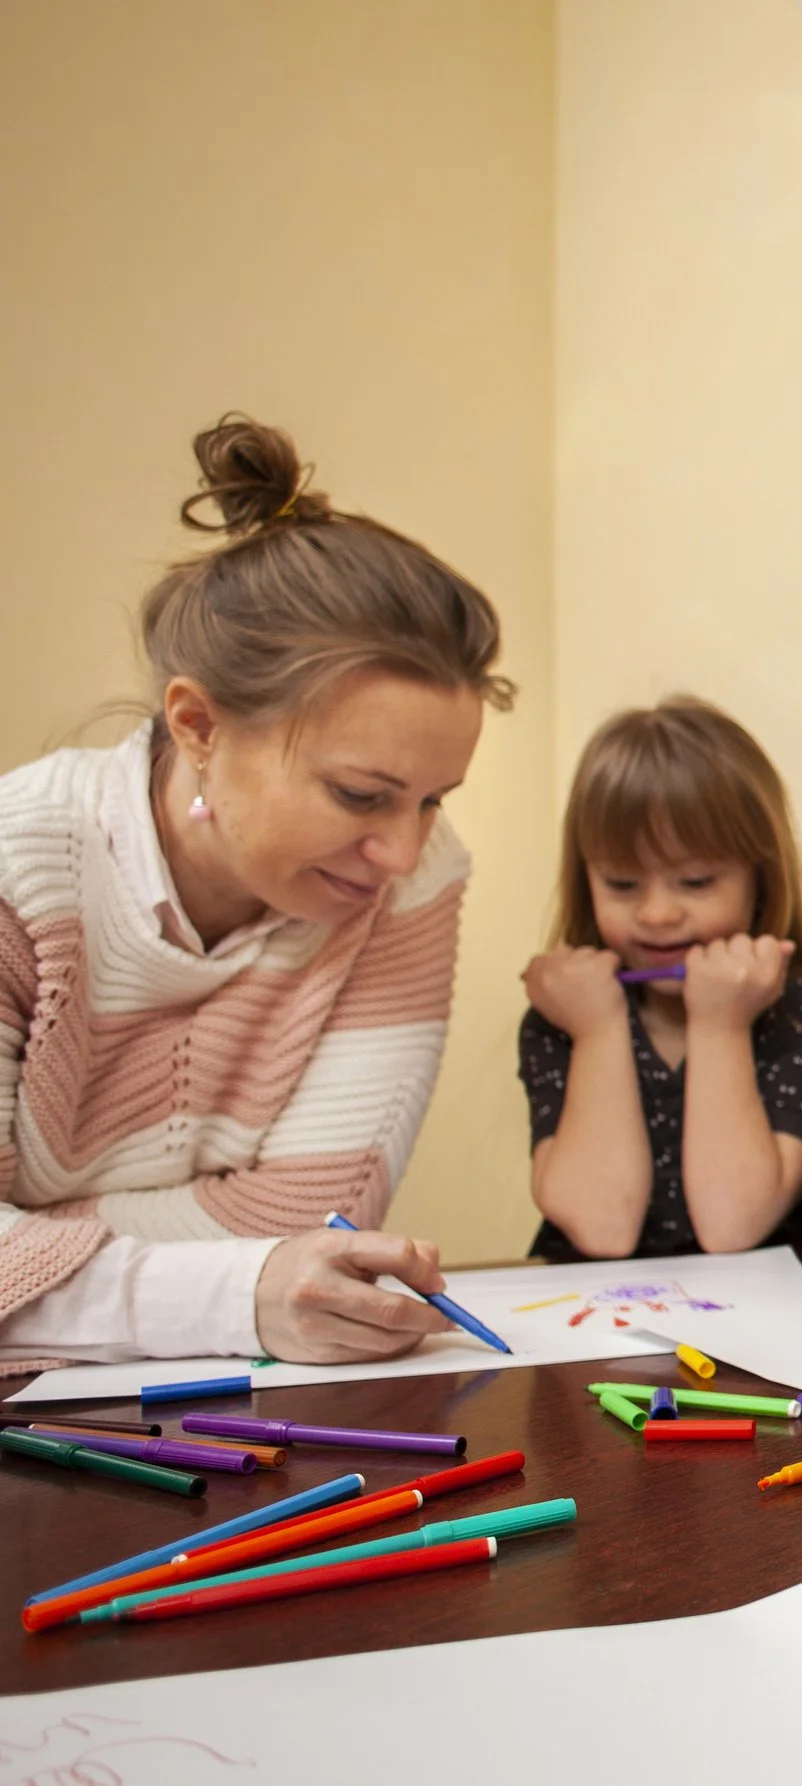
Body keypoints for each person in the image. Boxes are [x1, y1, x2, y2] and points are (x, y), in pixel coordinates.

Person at [0, 415, 513, 1370]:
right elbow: (272, 1260)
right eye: (360, 795)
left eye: (433, 800)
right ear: (198, 725)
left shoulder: (414, 879)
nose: (402, 851)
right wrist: (236, 1286)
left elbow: (311, 1216)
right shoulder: (17, 874)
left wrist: (40, 1242)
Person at [522, 698, 802, 1261]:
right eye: (622, 884)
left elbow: (731, 1226)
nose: (657, 913)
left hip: (771, 1328)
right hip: (594, 1328)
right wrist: (599, 1029)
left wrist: (721, 1024)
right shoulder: (568, 1013)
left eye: (696, 881)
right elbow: (601, 1228)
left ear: (761, 877)